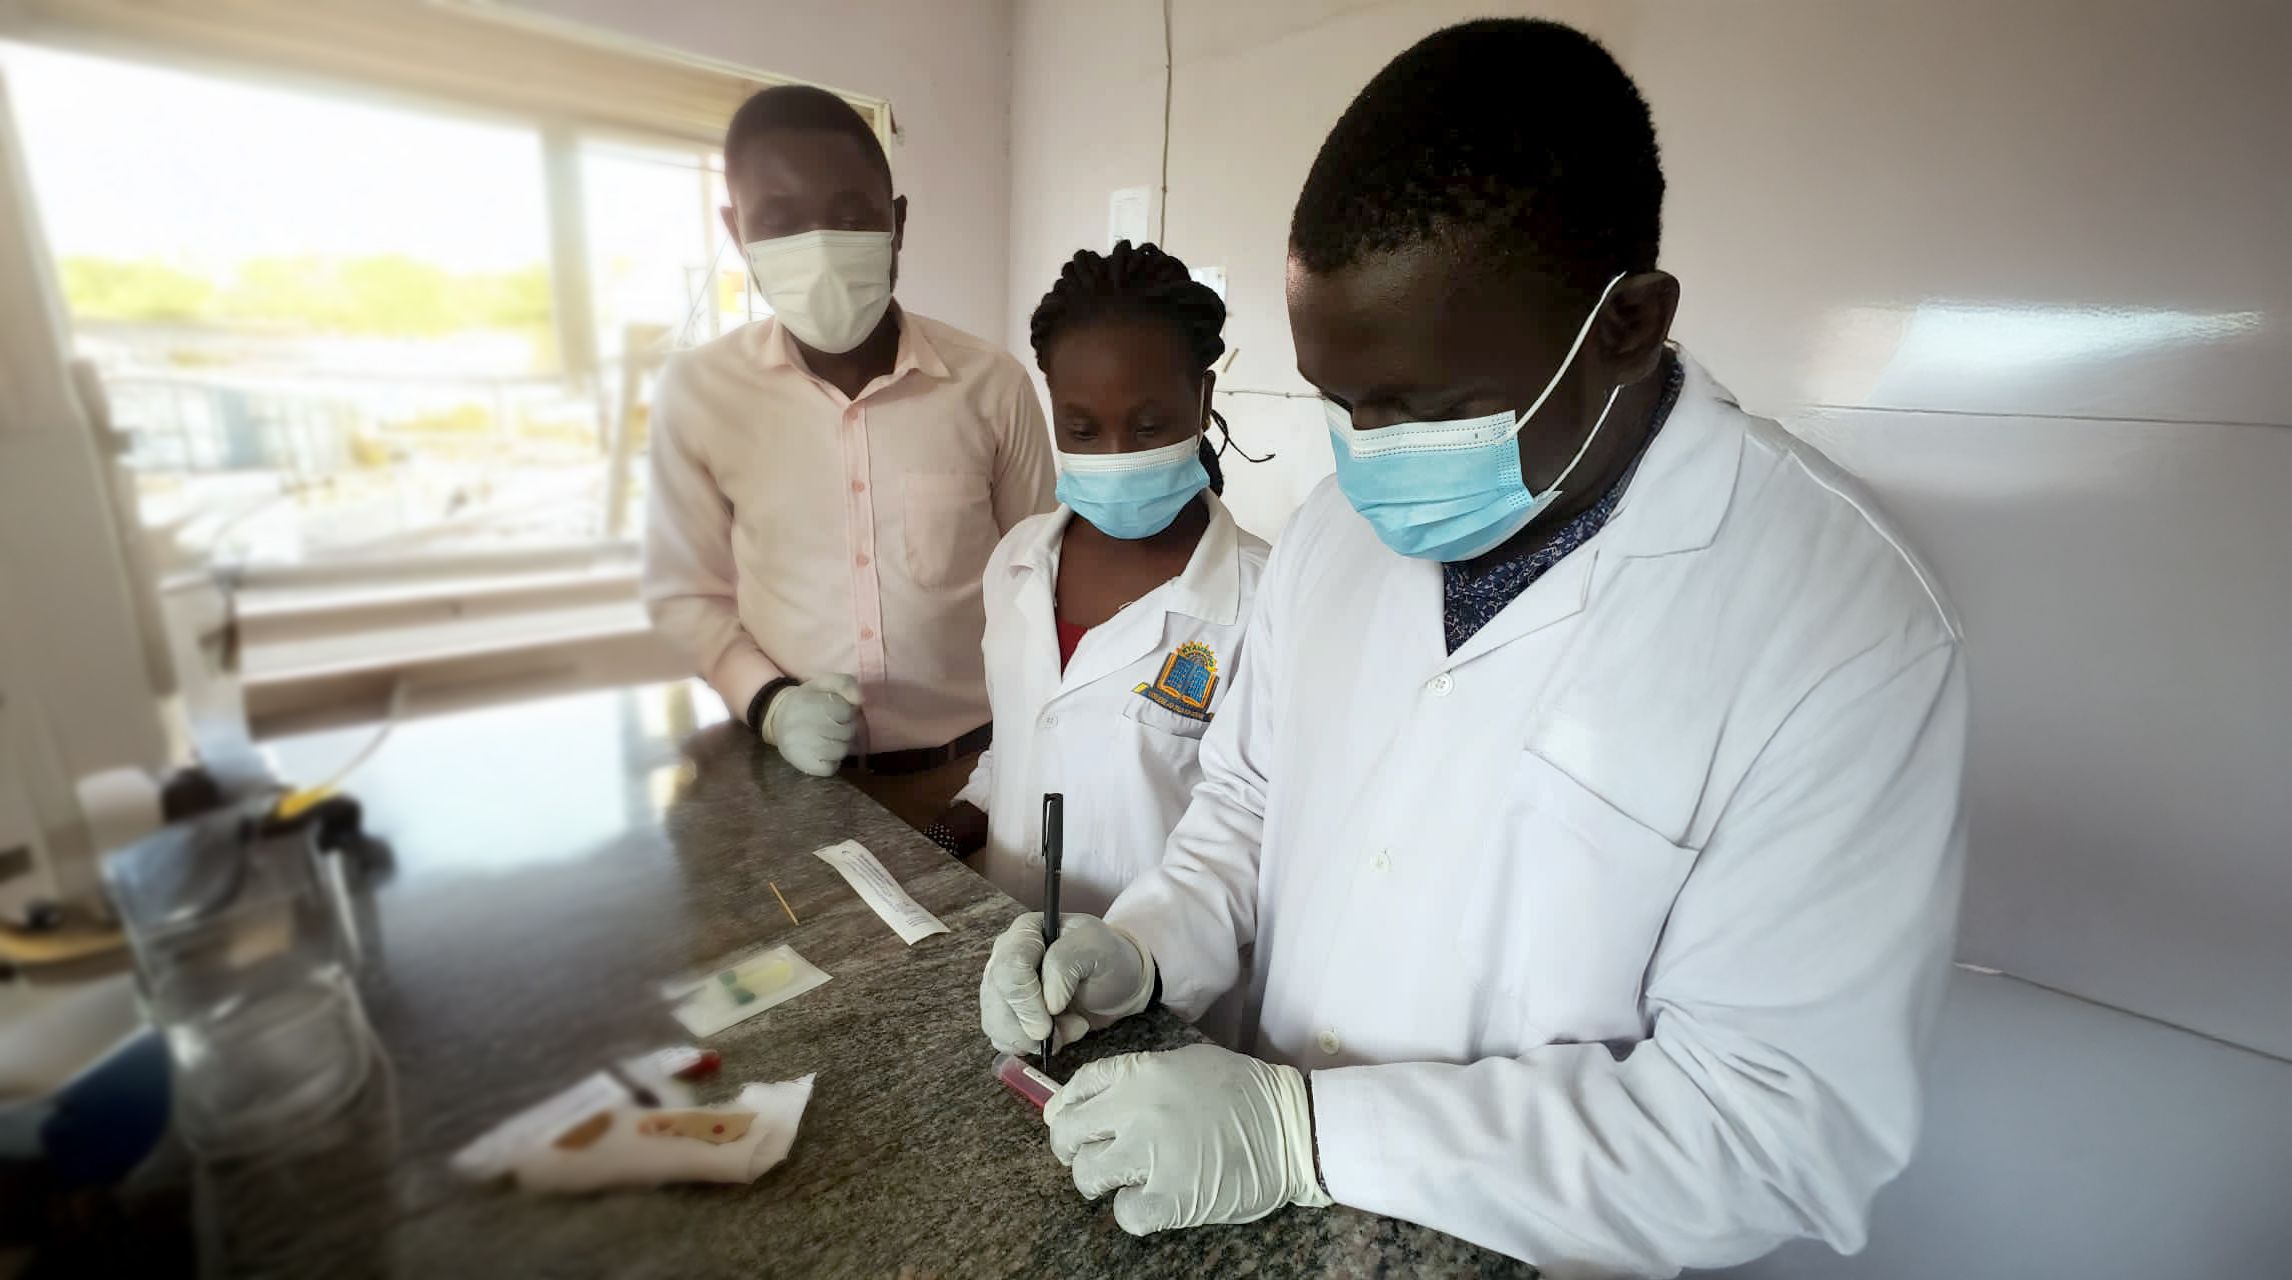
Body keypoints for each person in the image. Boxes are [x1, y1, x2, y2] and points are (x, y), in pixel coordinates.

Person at [977, 19, 1967, 1277]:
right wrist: (1143, 947)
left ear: (1628, 323)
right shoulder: (1336, 533)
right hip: (1248, 1214)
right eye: (1343, 403)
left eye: (1426, 407)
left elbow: (1773, 1128)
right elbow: (1246, 806)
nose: (1372, 452)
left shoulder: (1841, 627)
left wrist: (1305, 1128)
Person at [643, 86, 1054, 829]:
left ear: (896, 223)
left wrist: (1023, 762)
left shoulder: (991, 385)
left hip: (977, 778)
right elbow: (687, 595)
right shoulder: (698, 394)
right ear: (738, 232)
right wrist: (770, 706)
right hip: (793, 784)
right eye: (780, 219)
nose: (821, 244)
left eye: (851, 214)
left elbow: (1043, 583)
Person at [927, 241, 1270, 943]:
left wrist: (1139, 962)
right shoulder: (1019, 561)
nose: (1116, 455)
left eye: (1147, 426)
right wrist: (947, 830)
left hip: (1163, 990)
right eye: (1082, 428)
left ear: (1201, 399)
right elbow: (1020, 743)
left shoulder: (1263, 601)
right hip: (1006, 947)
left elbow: (1249, 831)